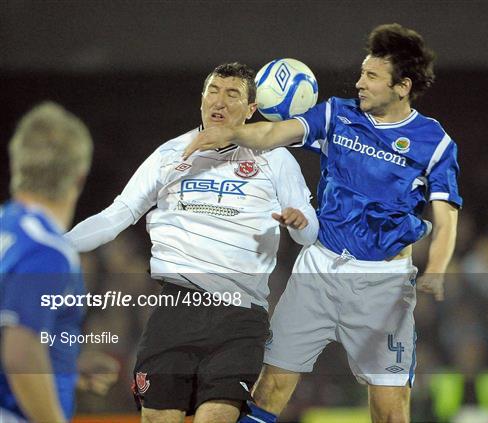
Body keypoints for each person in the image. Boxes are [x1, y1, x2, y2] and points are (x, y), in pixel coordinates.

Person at [184, 24, 462, 423]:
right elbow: (275, 131)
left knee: (390, 409)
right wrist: (230, 132)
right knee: (270, 387)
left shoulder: (434, 143)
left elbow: (446, 216)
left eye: (371, 76)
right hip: (319, 268)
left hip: (382, 286)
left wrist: (436, 269)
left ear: (402, 86)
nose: (359, 83)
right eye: (361, 73)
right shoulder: (338, 114)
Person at [65, 62, 318, 423]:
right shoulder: (169, 154)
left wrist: (299, 222)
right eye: (213, 91)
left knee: (215, 417)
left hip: (240, 315)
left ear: (250, 110)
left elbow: (309, 234)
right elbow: (117, 214)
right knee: (157, 419)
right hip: (176, 307)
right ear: (201, 99)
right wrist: (59, 244)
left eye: (232, 94)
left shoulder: (276, 159)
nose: (219, 100)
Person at [0, 102, 93, 422]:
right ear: (78, 177)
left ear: (17, 165)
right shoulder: (47, 251)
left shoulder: (6, 230)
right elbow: (20, 352)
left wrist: (63, 368)